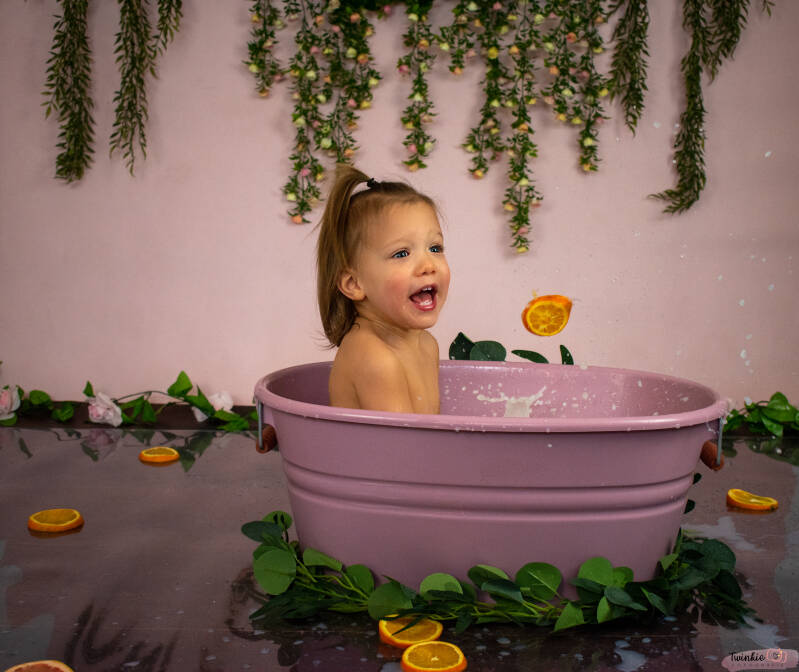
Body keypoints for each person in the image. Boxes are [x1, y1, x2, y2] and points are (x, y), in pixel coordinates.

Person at [316, 164, 450, 414]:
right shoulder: (374, 356)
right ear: (354, 284)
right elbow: (401, 439)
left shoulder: (426, 344)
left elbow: (431, 429)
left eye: (435, 248)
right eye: (401, 253)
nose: (428, 265)